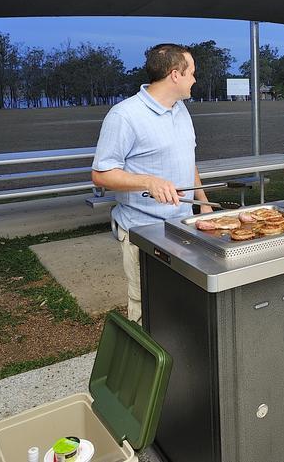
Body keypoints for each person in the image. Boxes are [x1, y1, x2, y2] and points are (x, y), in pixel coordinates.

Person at [91, 44, 212, 323]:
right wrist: (148, 181)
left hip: (183, 228)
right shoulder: (124, 116)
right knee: (147, 308)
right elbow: (101, 174)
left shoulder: (181, 109)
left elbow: (188, 160)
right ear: (175, 75)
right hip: (142, 231)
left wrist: (204, 204)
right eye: (192, 73)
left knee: (179, 304)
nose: (195, 79)